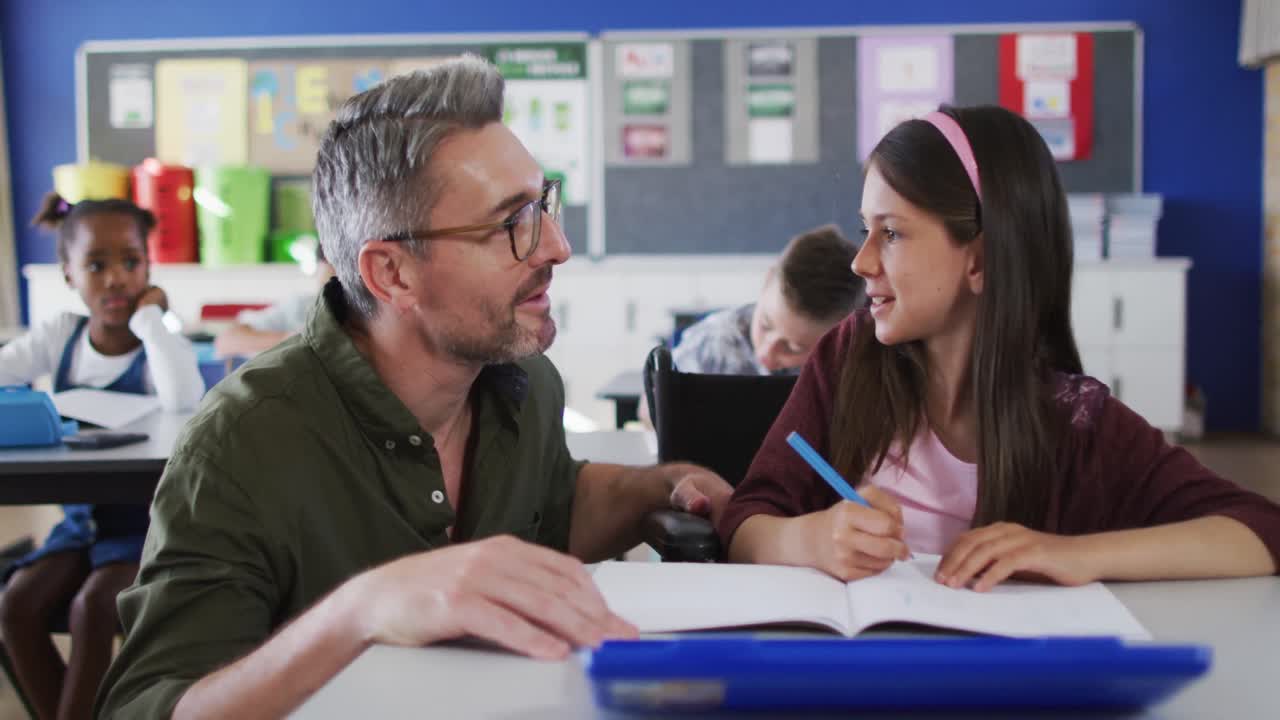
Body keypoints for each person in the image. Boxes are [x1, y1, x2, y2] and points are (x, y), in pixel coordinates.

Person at [96, 56, 732, 719]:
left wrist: (658, 487)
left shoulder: (524, 385)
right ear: (392, 274)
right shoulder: (242, 442)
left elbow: (548, 509)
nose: (557, 247)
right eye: (509, 224)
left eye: (543, 204)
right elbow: (146, 707)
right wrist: (360, 611)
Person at [721, 106, 1280, 591]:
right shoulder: (847, 360)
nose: (861, 261)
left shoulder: (1073, 419)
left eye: (890, 233)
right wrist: (808, 540)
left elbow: (1259, 530)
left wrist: (1074, 555)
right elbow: (746, 522)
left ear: (980, 261)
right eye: (865, 229)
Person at [0, 193, 204, 720]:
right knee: (16, 601)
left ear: (149, 267)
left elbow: (184, 399)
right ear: (69, 275)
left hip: (146, 529)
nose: (116, 278)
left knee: (93, 607)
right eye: (96, 265)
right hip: (80, 527)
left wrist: (152, 321)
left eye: (130, 262)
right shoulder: (60, 335)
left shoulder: (159, 342)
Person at [672, 224, 863, 375]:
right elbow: (651, 409)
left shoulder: (852, 366)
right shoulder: (711, 342)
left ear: (840, 338)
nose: (766, 353)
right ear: (767, 281)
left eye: (793, 348)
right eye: (765, 325)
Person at [212, 246, 335, 359]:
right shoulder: (300, 307)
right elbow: (227, 341)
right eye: (331, 265)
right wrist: (298, 340)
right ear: (322, 266)